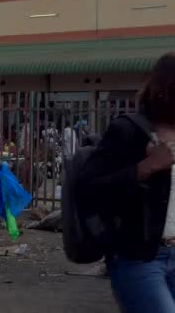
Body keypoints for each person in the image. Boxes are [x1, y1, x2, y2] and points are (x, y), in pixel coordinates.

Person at [82, 52, 175, 312]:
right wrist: (145, 167)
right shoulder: (128, 130)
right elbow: (89, 189)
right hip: (141, 258)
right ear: (167, 90)